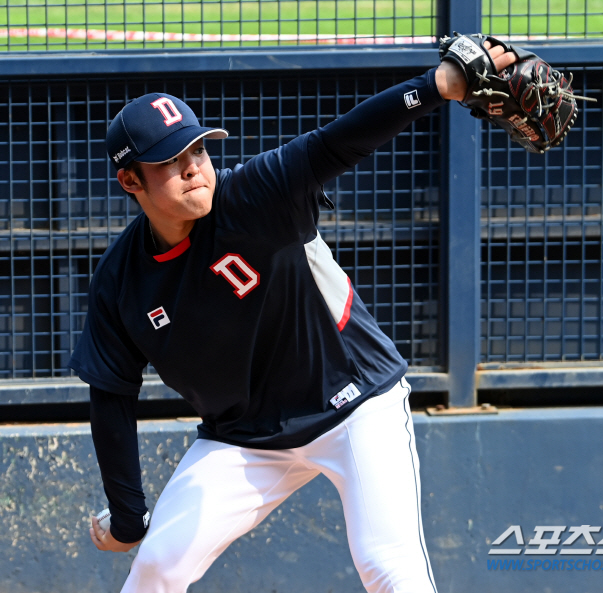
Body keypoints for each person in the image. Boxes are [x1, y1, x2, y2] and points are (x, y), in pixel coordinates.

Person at [70, 40, 516, 592]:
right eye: (169, 163)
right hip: (244, 437)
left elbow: (338, 142)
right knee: (157, 569)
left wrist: (436, 87)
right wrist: (129, 516)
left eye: (198, 152)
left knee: (387, 566)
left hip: (354, 403)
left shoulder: (253, 194)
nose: (193, 170)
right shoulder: (121, 280)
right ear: (130, 180)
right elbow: (111, 394)